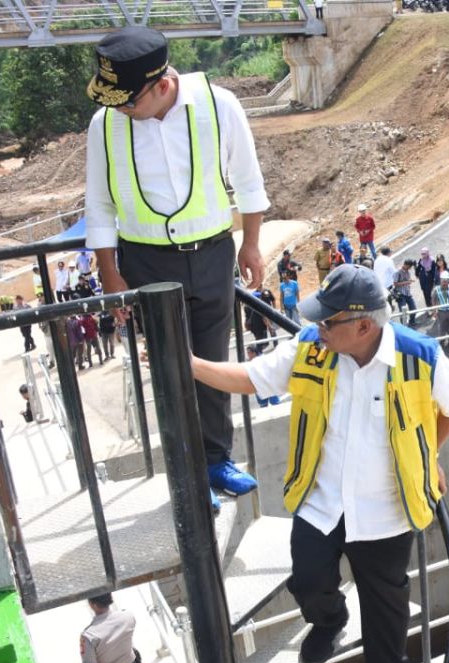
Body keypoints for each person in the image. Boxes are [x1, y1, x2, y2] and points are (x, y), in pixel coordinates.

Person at [190, 265, 449, 663]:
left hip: (387, 509)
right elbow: (249, 377)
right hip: (322, 502)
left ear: (362, 326)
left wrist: (427, 455)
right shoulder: (311, 349)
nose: (317, 328)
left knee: (387, 603)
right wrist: (192, 366)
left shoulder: (421, 357)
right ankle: (329, 621)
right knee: (307, 576)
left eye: (327, 321)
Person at [83, 27, 268, 508]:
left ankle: (215, 460)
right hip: (144, 261)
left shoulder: (219, 105)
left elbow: (248, 181)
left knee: (210, 361)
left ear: (162, 85)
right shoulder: (104, 125)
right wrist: (108, 270)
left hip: (210, 255)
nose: (119, 109)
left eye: (128, 100)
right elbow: (99, 205)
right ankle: (185, 475)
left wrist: (251, 245)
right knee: (169, 369)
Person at [432, 271, 449, 345]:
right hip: (441, 312)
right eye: (443, 281)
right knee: (441, 326)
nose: (444, 283)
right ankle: (442, 340)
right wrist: (434, 312)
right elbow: (433, 301)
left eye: (446, 281)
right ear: (440, 280)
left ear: (448, 281)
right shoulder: (436, 290)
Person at [393, 259, 417, 325]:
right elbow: (395, 283)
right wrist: (407, 282)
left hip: (408, 293)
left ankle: (412, 321)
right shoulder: (397, 272)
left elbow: (407, 280)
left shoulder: (407, 272)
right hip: (400, 294)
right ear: (406, 265)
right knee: (403, 311)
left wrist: (409, 281)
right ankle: (403, 325)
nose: (409, 268)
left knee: (414, 308)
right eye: (409, 267)